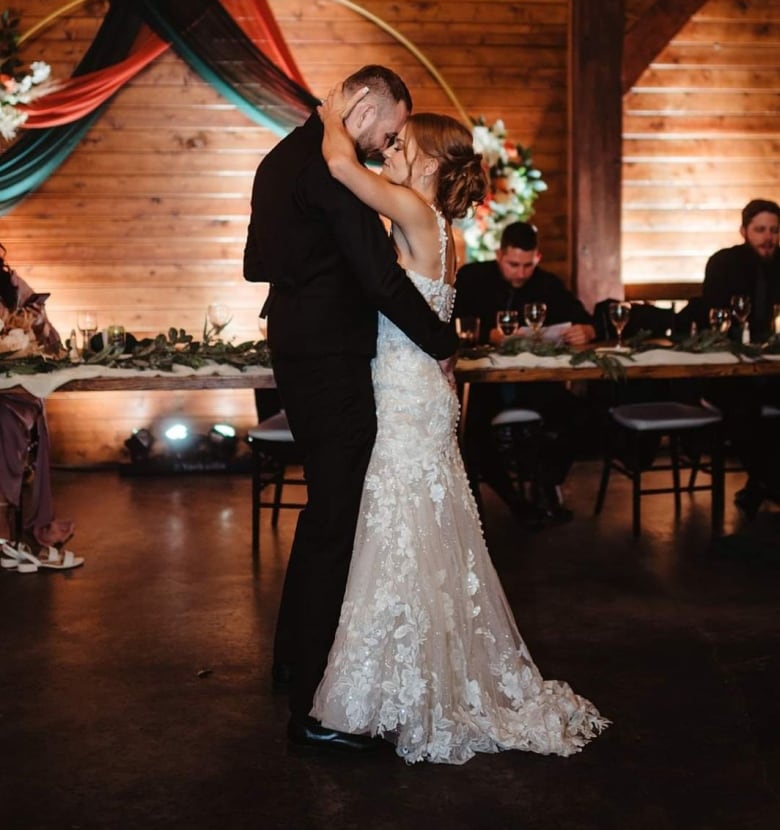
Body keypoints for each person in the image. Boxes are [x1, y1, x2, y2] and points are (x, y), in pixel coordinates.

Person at [309, 91, 609, 764]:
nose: (390, 151)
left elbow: (338, 166)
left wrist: (332, 114)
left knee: (400, 538)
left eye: (400, 146)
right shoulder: (448, 229)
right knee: (421, 539)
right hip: (420, 392)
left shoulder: (415, 210)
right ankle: (408, 679)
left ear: (427, 164)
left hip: (407, 398)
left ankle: (390, 690)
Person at [243, 66, 459, 751]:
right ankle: (315, 704)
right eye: (390, 128)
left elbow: (258, 261)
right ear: (365, 103)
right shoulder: (327, 167)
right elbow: (380, 278)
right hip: (332, 363)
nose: (389, 142)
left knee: (326, 515)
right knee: (336, 521)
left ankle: (290, 662)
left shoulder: (283, 157)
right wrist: (445, 344)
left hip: (302, 353)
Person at [453, 222, 596, 524]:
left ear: (537, 258)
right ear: (499, 255)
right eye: (513, 264)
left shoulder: (547, 284)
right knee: (470, 432)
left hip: (534, 384)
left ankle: (544, 482)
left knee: (581, 415)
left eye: (527, 265)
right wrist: (487, 335)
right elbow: (453, 322)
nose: (520, 272)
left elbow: (582, 318)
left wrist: (586, 330)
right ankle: (514, 500)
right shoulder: (472, 278)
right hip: (483, 384)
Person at [700, 198, 780, 517]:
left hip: (773, 368)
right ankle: (769, 483)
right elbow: (714, 317)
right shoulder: (724, 263)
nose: (768, 237)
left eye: (774, 230)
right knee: (743, 406)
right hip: (728, 369)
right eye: (760, 230)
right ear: (744, 231)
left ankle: (760, 483)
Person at [0, 243, 76, 554]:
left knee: (5, 419)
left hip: (13, 391)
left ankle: (3, 524)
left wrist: (38, 320)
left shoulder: (12, 286)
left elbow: (54, 345)